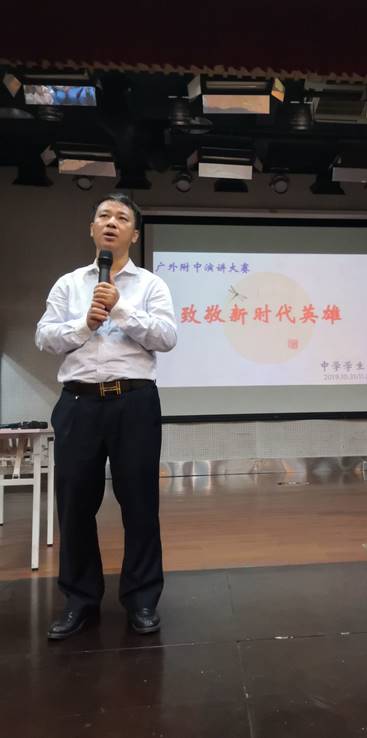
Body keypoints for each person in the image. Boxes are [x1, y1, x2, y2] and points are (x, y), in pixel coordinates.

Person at [36, 192, 177, 640]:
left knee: (140, 503)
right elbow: (45, 338)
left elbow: (167, 337)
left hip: (134, 402)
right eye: (103, 216)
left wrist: (120, 308)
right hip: (78, 403)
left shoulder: (151, 285)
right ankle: (80, 601)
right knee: (75, 504)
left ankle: (141, 600)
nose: (111, 222)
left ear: (134, 234)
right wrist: (85, 325)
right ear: (92, 229)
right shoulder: (68, 284)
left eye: (121, 218)